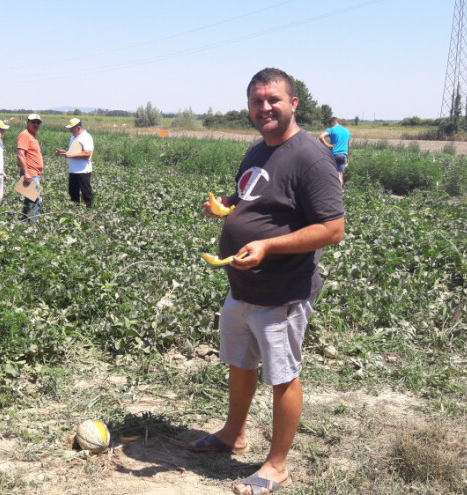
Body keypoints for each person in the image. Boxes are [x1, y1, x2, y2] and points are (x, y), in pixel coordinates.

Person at [193, 68, 345, 495]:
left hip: (282, 291)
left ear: (294, 103)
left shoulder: (311, 158)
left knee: (282, 375)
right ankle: (232, 434)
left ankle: (277, 466)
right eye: (257, 101)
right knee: (241, 364)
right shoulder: (258, 149)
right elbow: (252, 197)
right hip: (243, 286)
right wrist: (227, 206)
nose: (265, 108)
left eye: (273, 99)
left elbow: (333, 229)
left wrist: (268, 246)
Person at [55, 118, 95, 208]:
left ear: (78, 128)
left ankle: (90, 211)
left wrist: (70, 155)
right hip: (73, 170)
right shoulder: (73, 137)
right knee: (73, 193)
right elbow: (73, 152)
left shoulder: (86, 137)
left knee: (86, 193)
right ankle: (75, 212)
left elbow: (87, 153)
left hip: (83, 171)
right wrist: (63, 152)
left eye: (72, 128)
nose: (70, 130)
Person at [17, 114, 45, 220]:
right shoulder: (25, 135)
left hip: (34, 174)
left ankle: (23, 222)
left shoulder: (32, 136)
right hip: (30, 173)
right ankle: (32, 227)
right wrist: (26, 172)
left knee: (30, 199)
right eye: (33, 122)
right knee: (35, 199)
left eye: (38, 123)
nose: (36, 124)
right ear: (27, 122)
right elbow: (20, 154)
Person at [318, 116, 351, 188]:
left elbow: (321, 137)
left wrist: (327, 145)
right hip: (343, 155)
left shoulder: (331, 129)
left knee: (330, 174)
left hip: (333, 155)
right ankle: (339, 192)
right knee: (340, 175)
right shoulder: (347, 131)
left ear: (332, 123)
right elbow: (349, 146)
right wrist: (347, 157)